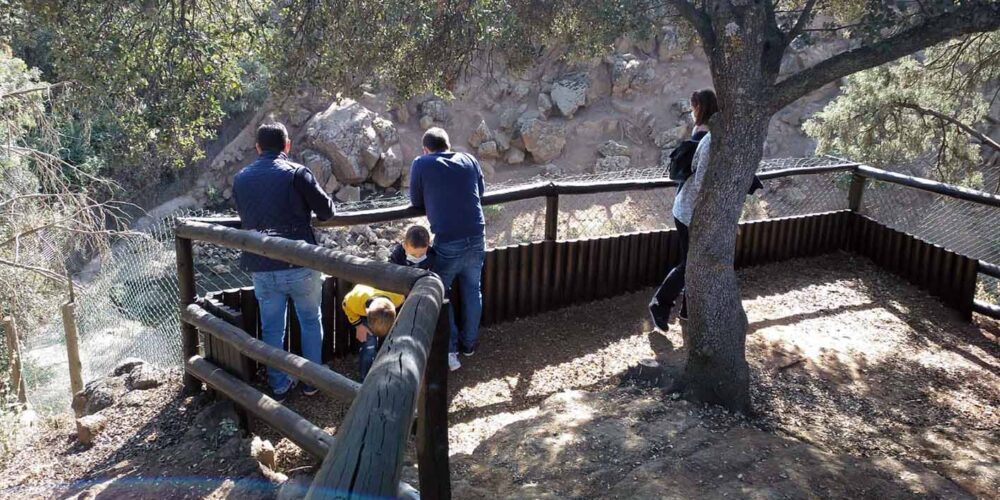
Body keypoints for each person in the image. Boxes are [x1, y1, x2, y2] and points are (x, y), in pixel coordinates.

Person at [233, 122, 335, 401]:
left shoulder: (241, 178)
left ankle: (278, 385)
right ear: (287, 145)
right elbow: (326, 211)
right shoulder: (296, 173)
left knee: (272, 328)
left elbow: (244, 216)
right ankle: (312, 381)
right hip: (299, 263)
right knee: (311, 322)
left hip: (262, 265)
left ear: (257, 148)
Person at [409, 127, 486, 372]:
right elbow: (480, 192)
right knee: (473, 291)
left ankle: (450, 350)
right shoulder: (469, 159)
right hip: (477, 235)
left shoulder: (421, 163)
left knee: (441, 296)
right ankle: (470, 344)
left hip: (448, 240)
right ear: (448, 145)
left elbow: (415, 201)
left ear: (426, 149)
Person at [649, 90, 718, 331]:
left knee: (694, 260)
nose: (691, 110)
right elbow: (701, 180)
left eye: (693, 106)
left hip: (689, 207)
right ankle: (661, 304)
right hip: (690, 210)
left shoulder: (703, 132)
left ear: (699, 106)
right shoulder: (708, 136)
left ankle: (688, 309)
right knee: (691, 262)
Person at [342, 284, 405, 380]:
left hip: (382, 311)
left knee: (387, 343)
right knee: (369, 345)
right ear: (366, 312)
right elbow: (346, 306)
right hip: (364, 306)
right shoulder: (354, 300)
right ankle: (364, 379)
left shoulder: (398, 297)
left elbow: (404, 300)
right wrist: (359, 326)